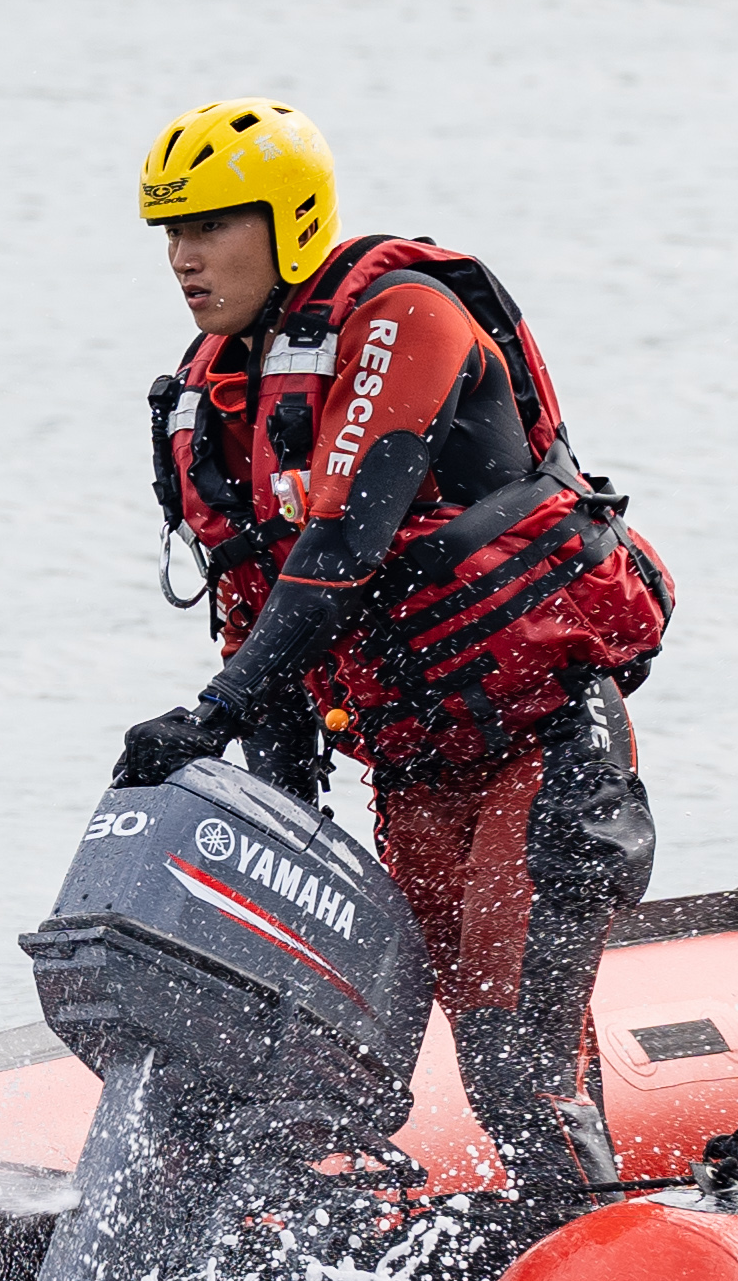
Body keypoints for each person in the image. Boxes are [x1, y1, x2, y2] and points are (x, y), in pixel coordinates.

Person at [113, 99, 673, 1220]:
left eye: (215, 225)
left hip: (546, 743)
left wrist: (208, 711)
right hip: (414, 771)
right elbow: (257, 601)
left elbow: (342, 550)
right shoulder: (208, 394)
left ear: (289, 218)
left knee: (516, 1054)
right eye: (169, 231)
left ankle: (601, 1252)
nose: (185, 256)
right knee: (340, 1052)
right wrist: (264, 781)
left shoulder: (404, 316)